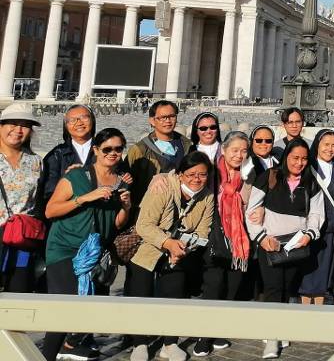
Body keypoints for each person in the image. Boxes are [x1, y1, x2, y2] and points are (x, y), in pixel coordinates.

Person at [41, 128, 132, 361]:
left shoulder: (121, 181)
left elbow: (118, 224)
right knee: (65, 307)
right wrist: (84, 198)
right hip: (65, 247)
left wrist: (126, 206)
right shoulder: (77, 176)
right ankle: (46, 356)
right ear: (95, 150)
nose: (113, 153)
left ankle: (70, 346)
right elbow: (50, 211)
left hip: (94, 252)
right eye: (107, 149)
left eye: (118, 149)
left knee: (92, 308)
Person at [127, 151, 214, 361]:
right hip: (147, 250)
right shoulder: (163, 187)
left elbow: (203, 231)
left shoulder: (207, 196)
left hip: (179, 254)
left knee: (174, 296)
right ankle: (139, 343)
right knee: (141, 296)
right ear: (181, 174)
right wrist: (167, 243)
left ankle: (170, 342)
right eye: (191, 174)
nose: (196, 179)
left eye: (202, 174)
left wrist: (183, 249)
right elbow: (144, 225)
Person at [246, 139, 323, 359]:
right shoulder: (269, 176)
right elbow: (252, 210)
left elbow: (317, 213)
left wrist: (310, 234)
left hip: (295, 244)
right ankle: (272, 337)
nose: (299, 163)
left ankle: (280, 329)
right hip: (269, 242)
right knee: (272, 287)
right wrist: (261, 237)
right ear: (286, 157)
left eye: (304, 158)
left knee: (288, 287)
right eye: (295, 157)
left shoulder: (310, 181)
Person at [192, 131, 252, 357]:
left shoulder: (246, 174)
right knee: (213, 286)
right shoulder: (211, 173)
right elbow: (184, 175)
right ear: (224, 150)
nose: (239, 155)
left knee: (232, 285)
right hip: (214, 238)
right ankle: (204, 335)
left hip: (239, 240)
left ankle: (219, 330)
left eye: (244, 151)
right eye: (234, 150)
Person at [0, 103, 43, 293]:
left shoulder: (35, 161)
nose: (18, 130)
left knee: (19, 292)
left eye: (25, 125)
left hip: (22, 237)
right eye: (13, 123)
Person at [125, 100, 193, 215]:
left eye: (172, 116)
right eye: (162, 117)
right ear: (152, 120)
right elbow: (128, 181)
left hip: (182, 209)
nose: (168, 121)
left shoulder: (187, 145)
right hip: (149, 210)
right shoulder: (139, 150)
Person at [299, 130, 334, 306]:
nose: (330, 149)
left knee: (323, 279)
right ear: (317, 144)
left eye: (333, 145)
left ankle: (318, 315)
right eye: (326, 144)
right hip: (312, 231)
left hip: (332, 232)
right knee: (308, 278)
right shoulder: (308, 168)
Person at [37, 105, 96, 217]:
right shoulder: (57, 154)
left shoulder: (106, 150)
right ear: (66, 126)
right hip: (66, 218)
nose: (79, 123)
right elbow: (48, 192)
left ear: (92, 120)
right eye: (72, 120)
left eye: (84, 117)